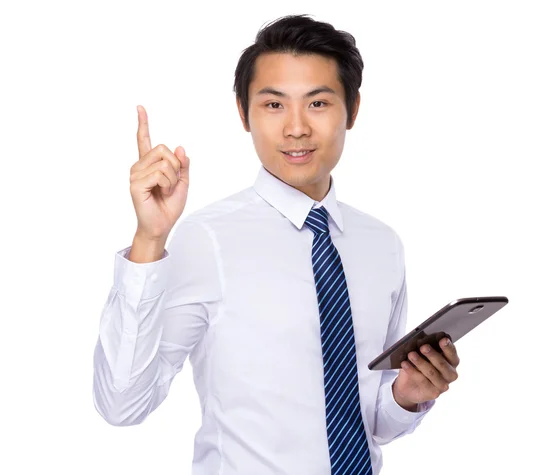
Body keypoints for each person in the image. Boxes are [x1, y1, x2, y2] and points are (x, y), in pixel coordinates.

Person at [92, 14, 460, 475]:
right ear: (244, 113)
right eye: (273, 105)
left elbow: (367, 422)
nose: (296, 128)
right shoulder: (208, 240)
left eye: (319, 103)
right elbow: (122, 403)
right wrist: (149, 238)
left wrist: (407, 396)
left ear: (353, 108)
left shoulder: (381, 244)